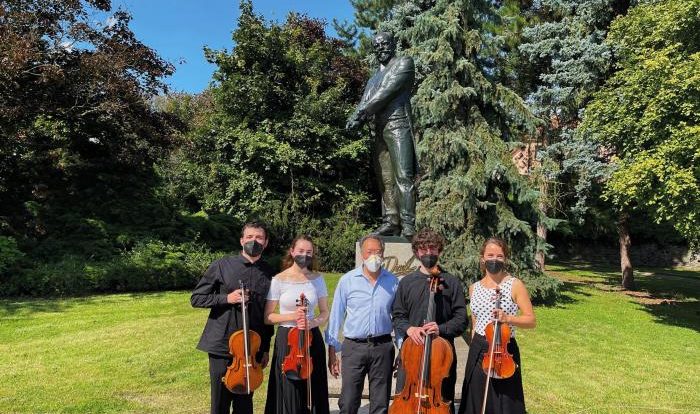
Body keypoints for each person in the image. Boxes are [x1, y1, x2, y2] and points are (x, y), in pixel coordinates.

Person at [191, 221, 275, 414]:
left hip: (250, 348)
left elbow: (266, 314)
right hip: (221, 344)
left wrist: (264, 348)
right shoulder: (222, 265)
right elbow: (196, 298)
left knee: (245, 403)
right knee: (220, 403)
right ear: (241, 240)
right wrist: (226, 298)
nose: (254, 241)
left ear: (266, 242)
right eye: (250, 237)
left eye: (259, 238)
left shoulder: (270, 273)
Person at [346, 31, 417, 238]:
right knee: (384, 180)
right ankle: (391, 221)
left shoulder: (404, 63)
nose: (381, 48)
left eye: (384, 44)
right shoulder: (373, 77)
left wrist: (360, 115)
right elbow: (365, 99)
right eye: (376, 46)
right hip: (379, 130)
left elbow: (384, 93)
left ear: (393, 44)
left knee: (403, 176)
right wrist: (353, 119)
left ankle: (408, 224)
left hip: (398, 126)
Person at [392, 228, 468, 414]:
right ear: (417, 252)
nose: (428, 253)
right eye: (423, 249)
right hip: (411, 353)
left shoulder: (451, 282)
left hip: (441, 357)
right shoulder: (407, 282)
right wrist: (409, 329)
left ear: (439, 250)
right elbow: (398, 316)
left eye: (433, 248)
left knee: (440, 401)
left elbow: (461, 319)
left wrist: (441, 328)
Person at [457, 237, 536, 414]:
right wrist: (473, 345)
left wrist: (508, 318)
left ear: (505, 259)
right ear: (482, 258)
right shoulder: (474, 288)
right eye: (490, 255)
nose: (495, 259)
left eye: (499, 256)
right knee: (476, 397)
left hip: (504, 348)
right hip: (479, 348)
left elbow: (531, 320)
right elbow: (475, 320)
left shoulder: (514, 285)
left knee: (505, 400)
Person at [325, 235, 399, 414]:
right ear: (362, 254)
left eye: (378, 252)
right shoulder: (347, 280)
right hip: (353, 348)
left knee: (380, 404)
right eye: (369, 251)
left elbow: (398, 317)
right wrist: (332, 351)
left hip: (382, 347)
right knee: (349, 402)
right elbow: (336, 316)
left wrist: (402, 348)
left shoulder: (393, 282)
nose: (374, 255)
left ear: (384, 253)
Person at [264, 235, 330, 414]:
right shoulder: (279, 280)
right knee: (289, 388)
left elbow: (324, 312)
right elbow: (268, 317)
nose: (305, 255)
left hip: (311, 337)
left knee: (313, 388)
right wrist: (292, 316)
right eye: (301, 251)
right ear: (292, 252)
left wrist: (312, 322)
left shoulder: (317, 279)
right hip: (288, 339)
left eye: (309, 252)